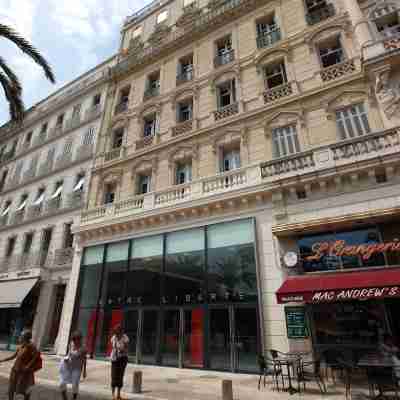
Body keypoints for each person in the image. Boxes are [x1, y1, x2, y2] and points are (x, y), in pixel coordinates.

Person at [0, 330, 39, 400]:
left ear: (26, 337)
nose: (20, 337)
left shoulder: (31, 347)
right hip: (15, 370)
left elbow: (35, 357)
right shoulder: (20, 346)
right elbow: (13, 356)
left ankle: (27, 397)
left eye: (21, 336)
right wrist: (3, 360)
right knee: (11, 388)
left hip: (24, 372)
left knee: (22, 389)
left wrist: (28, 366)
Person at [59, 331, 87, 400]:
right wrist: (67, 358)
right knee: (62, 383)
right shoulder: (71, 344)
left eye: (77, 340)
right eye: (74, 340)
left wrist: (84, 371)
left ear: (80, 339)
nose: (75, 342)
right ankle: (64, 398)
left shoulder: (83, 348)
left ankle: (74, 398)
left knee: (75, 384)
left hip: (77, 368)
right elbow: (69, 354)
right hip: (67, 365)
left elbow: (84, 359)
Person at [110, 325, 129, 400]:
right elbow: (113, 347)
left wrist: (122, 349)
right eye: (115, 332)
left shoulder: (125, 338)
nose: (116, 334)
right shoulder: (114, 338)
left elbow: (127, 347)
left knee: (120, 376)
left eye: (118, 332)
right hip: (115, 358)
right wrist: (117, 349)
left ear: (121, 331)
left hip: (123, 358)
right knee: (114, 375)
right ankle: (113, 395)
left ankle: (118, 394)